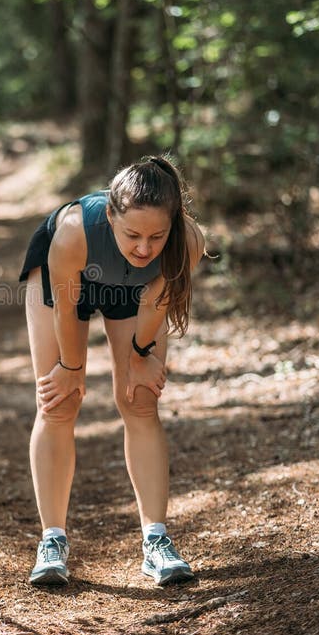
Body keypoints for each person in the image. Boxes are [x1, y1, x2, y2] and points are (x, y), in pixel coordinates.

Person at [19, 155, 205, 586]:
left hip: (134, 291)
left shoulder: (188, 241)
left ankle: (156, 541)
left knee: (140, 401)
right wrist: (70, 367)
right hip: (64, 282)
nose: (145, 248)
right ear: (110, 215)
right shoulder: (72, 233)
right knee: (58, 401)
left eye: (157, 236)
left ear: (173, 224)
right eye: (133, 234)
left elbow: (159, 300)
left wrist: (141, 354)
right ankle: (52, 540)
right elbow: (68, 305)